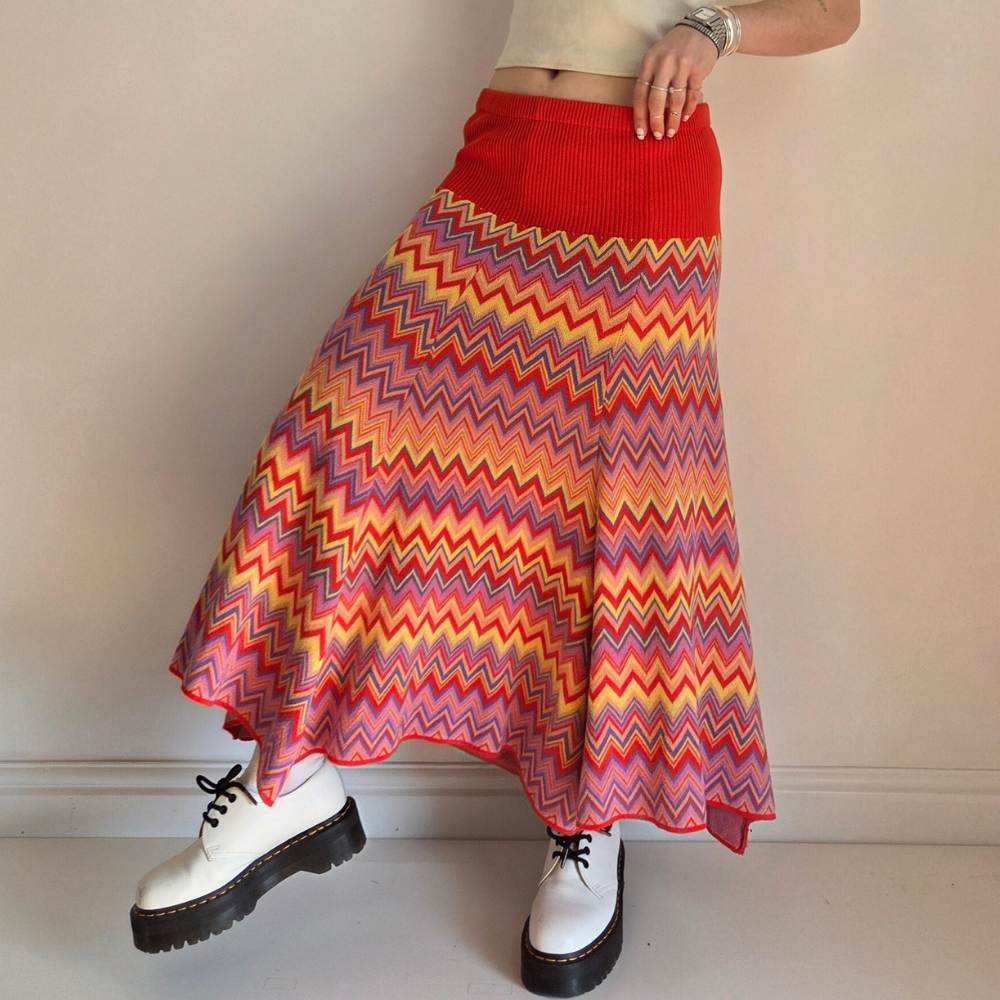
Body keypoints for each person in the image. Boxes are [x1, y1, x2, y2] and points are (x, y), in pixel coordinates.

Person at [129, 1, 860, 996]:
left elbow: (835, 12)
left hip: (642, 174)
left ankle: (589, 821)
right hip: (503, 153)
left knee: (613, 515)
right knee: (342, 433)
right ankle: (287, 772)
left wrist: (715, 28)